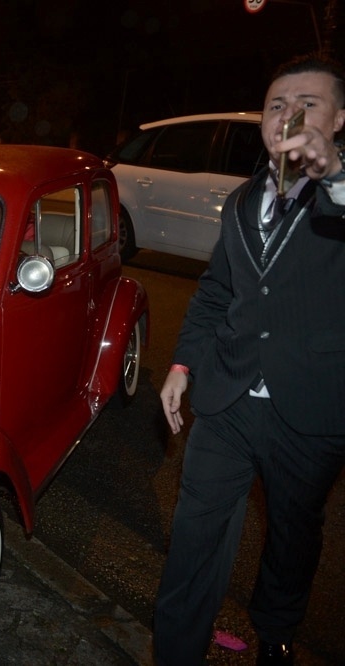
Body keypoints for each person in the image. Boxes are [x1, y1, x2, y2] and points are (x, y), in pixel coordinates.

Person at [154, 54, 345, 666]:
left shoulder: (340, 190)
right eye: (276, 104)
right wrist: (183, 367)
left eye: (308, 103)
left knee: (292, 536)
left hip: (310, 408)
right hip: (226, 398)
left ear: (338, 119)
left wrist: (335, 174)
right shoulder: (239, 202)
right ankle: (175, 650)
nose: (289, 113)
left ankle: (276, 635)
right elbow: (217, 291)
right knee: (194, 535)